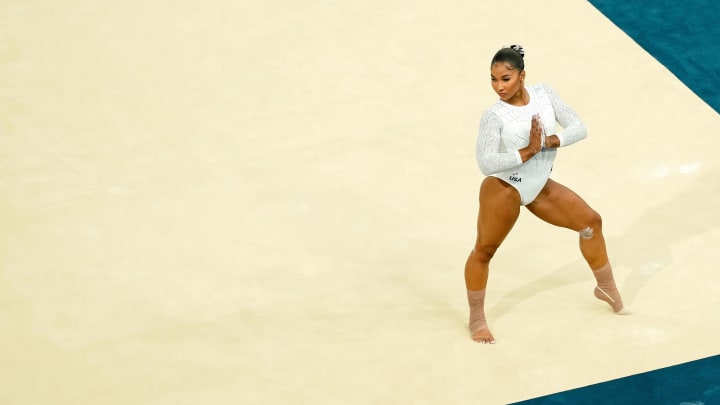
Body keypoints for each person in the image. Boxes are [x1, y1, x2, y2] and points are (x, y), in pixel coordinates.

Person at [465, 44, 628, 344]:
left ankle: (604, 287)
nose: (498, 86)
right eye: (493, 79)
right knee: (485, 251)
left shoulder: (544, 95)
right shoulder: (494, 116)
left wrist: (553, 140)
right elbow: (485, 162)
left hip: (539, 185)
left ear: (522, 75)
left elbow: (580, 128)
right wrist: (526, 151)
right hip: (505, 188)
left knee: (591, 223)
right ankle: (476, 319)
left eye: (505, 78)